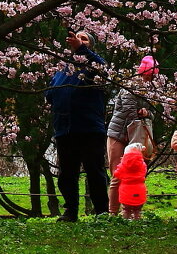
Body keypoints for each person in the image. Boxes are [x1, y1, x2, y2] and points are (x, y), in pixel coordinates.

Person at [45, 30, 109, 221]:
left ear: (90, 45)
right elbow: (51, 91)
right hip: (65, 128)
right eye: (77, 38)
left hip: (89, 128)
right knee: (67, 174)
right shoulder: (63, 69)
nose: (79, 41)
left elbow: (102, 67)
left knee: (95, 171)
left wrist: (81, 49)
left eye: (84, 39)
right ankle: (70, 211)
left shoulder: (94, 66)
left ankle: (101, 212)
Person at [106, 56, 156, 215]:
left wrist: (147, 113)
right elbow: (128, 111)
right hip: (119, 135)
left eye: (153, 75)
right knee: (117, 175)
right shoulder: (129, 86)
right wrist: (140, 115)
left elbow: (154, 114)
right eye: (148, 74)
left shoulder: (151, 90)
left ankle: (130, 209)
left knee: (135, 176)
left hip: (136, 136)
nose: (150, 78)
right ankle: (113, 212)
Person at [112, 143, 148, 220]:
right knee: (137, 210)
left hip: (126, 191)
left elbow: (117, 174)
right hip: (139, 190)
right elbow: (144, 172)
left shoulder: (123, 165)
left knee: (126, 209)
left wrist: (121, 163)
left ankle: (126, 222)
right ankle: (137, 221)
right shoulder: (142, 164)